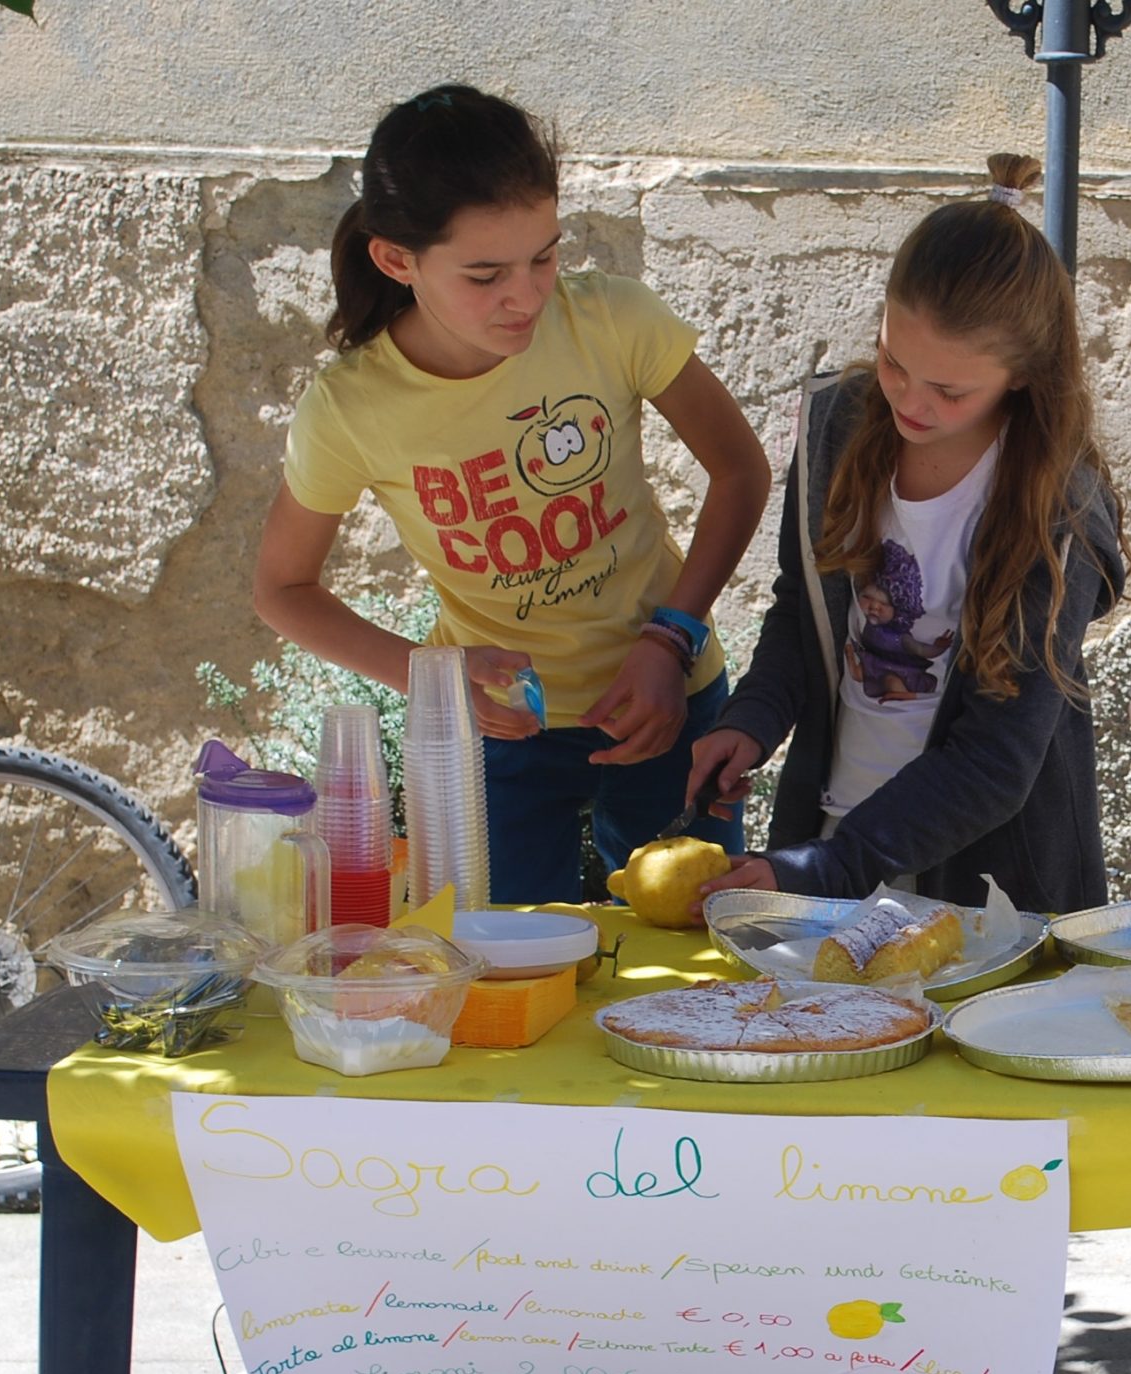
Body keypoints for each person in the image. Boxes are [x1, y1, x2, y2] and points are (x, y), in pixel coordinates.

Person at [254, 83, 770, 907]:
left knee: (698, 972)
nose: (526, 295)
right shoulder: (350, 407)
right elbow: (282, 589)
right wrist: (433, 678)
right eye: (486, 274)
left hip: (668, 703)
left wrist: (670, 641)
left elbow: (741, 471)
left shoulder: (613, 321)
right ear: (397, 259)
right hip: (499, 740)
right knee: (502, 982)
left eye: (544, 256)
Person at [687, 153, 1129, 916]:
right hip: (828, 841)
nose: (910, 402)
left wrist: (830, 865)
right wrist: (753, 720)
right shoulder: (835, 426)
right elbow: (805, 613)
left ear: (1022, 374)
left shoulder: (1061, 510)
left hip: (990, 890)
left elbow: (997, 760)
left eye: (950, 390)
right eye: (894, 361)